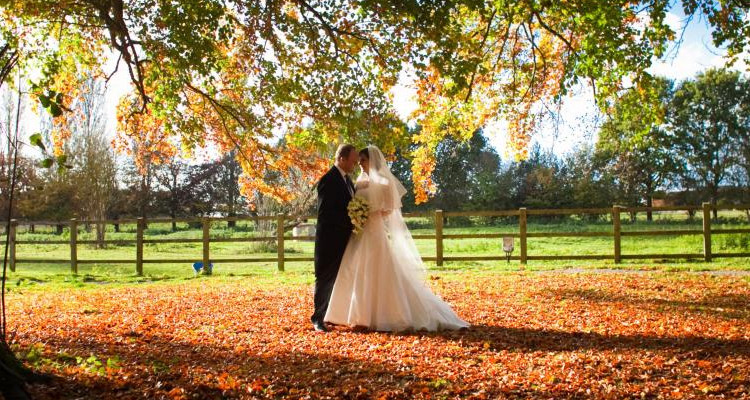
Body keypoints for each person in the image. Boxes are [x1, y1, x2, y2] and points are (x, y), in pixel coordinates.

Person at [324, 145, 469, 332]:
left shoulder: (384, 182)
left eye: (363, 161)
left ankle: (380, 316)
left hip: (374, 231)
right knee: (356, 270)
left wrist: (370, 212)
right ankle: (356, 315)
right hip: (359, 233)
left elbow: (389, 209)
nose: (360, 164)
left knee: (376, 270)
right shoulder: (358, 182)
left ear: (373, 161)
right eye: (358, 161)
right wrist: (357, 214)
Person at [311, 144, 358, 332]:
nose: (354, 164)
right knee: (325, 279)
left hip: (344, 239)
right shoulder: (328, 180)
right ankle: (317, 319)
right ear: (342, 159)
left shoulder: (346, 180)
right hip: (330, 240)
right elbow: (326, 214)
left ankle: (332, 315)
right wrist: (350, 221)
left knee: (339, 279)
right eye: (353, 161)